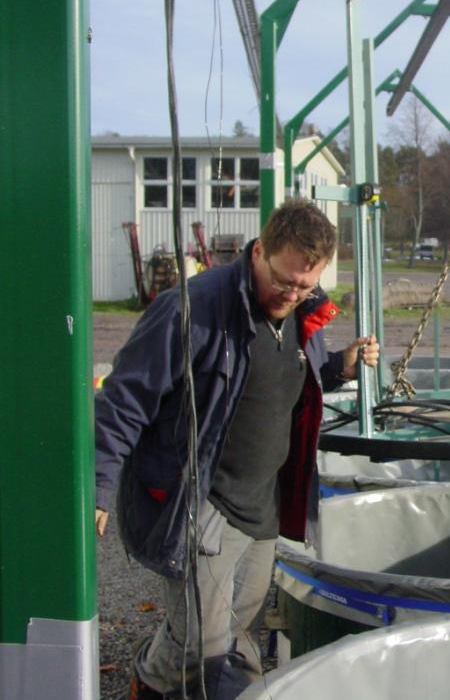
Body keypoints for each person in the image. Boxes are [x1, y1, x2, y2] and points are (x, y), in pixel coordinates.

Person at [94, 199, 379, 699]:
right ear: (260, 250)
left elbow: (280, 381)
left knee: (241, 632)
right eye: (283, 280)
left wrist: (338, 366)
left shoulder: (304, 313)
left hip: (263, 505)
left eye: (305, 286)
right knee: (202, 639)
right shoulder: (192, 309)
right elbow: (124, 400)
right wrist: (98, 484)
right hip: (204, 501)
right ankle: (151, 679)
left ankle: (205, 686)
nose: (291, 294)